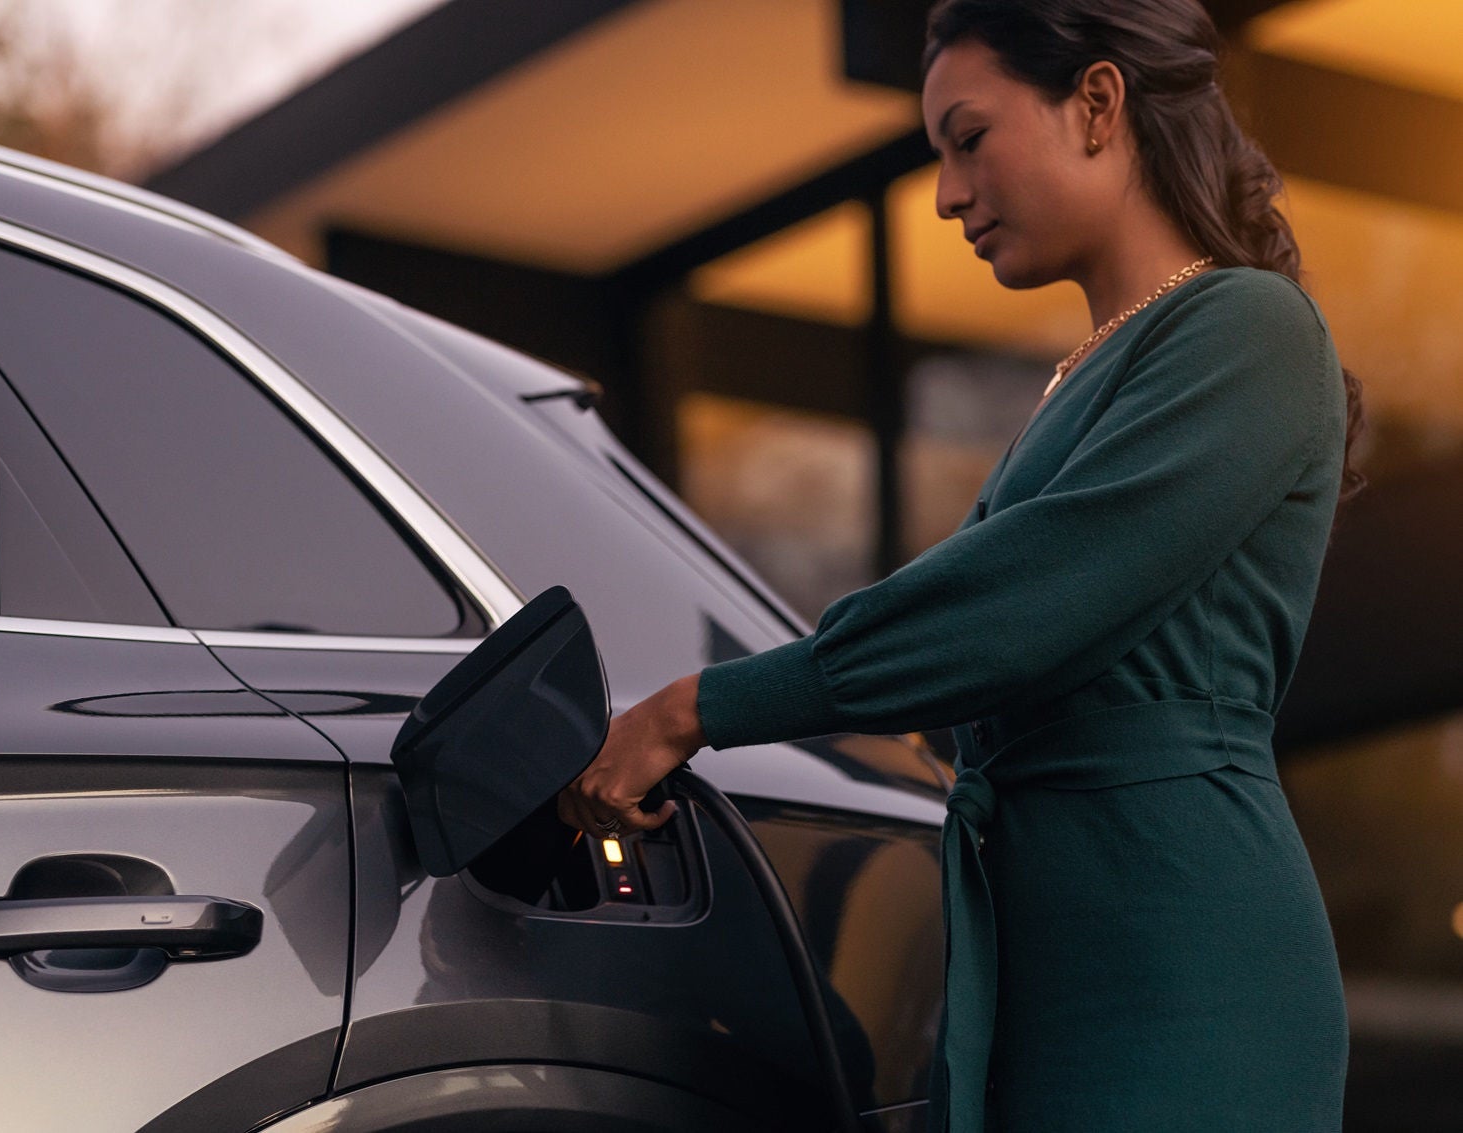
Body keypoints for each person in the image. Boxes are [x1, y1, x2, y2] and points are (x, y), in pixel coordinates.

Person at [556, 0, 1364, 1129]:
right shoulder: (1082, 377)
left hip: (1184, 961)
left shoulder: (1250, 329)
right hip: (1044, 956)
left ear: (1095, 104)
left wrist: (699, 705)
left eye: (967, 138)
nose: (943, 193)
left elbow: (1009, 607)